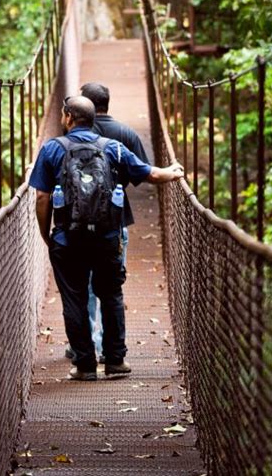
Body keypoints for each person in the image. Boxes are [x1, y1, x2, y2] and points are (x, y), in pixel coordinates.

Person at [29, 95, 183, 381]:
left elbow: (41, 196)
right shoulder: (113, 148)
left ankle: (85, 366)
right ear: (93, 119)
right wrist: (173, 173)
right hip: (107, 237)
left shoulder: (52, 149)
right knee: (110, 294)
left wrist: (46, 235)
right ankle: (115, 362)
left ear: (68, 118)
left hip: (67, 239)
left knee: (74, 300)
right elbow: (150, 174)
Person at [80, 81, 150, 360]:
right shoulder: (126, 134)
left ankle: (85, 346)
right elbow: (141, 175)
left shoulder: (71, 133)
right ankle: (109, 350)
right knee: (110, 286)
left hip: (78, 225)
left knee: (84, 285)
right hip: (116, 219)